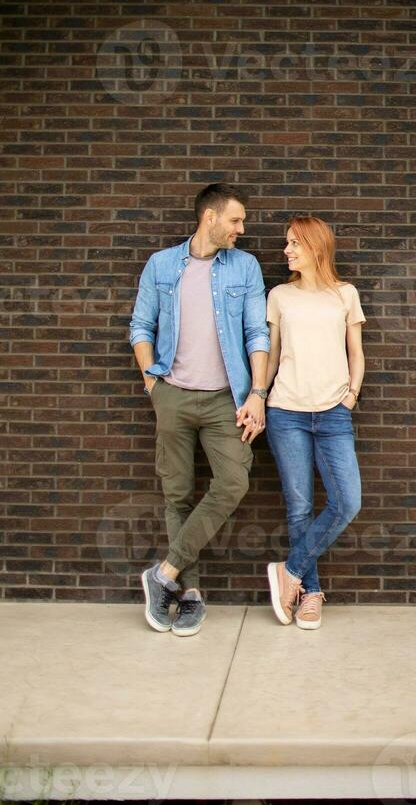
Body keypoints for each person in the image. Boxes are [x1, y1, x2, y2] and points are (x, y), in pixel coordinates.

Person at [128, 183, 270, 636]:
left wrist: (257, 393)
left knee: (233, 481)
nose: (241, 229)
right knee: (178, 494)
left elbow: (257, 334)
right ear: (209, 217)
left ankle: (163, 573)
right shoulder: (162, 265)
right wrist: (153, 381)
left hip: (225, 400)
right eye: (235, 220)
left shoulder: (244, 266)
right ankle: (188, 594)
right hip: (171, 391)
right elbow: (140, 325)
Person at [264, 216, 365, 630]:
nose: (286, 251)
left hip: (333, 413)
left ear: (316, 247)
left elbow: (356, 352)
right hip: (285, 411)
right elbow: (270, 356)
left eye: (294, 244)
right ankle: (310, 593)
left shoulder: (345, 294)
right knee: (300, 508)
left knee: (347, 503)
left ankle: (289, 570)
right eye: (287, 243)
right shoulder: (279, 296)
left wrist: (351, 395)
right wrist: (256, 397)